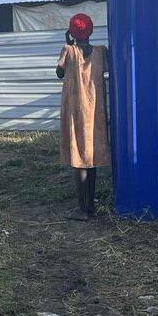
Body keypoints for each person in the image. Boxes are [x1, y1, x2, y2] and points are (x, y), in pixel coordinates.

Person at [56, 13, 110, 220]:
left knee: (78, 160)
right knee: (91, 157)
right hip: (95, 110)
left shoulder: (68, 51)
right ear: (91, 30)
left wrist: (68, 43)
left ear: (71, 31)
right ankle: (91, 206)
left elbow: (59, 73)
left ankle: (82, 209)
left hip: (75, 111)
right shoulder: (100, 52)